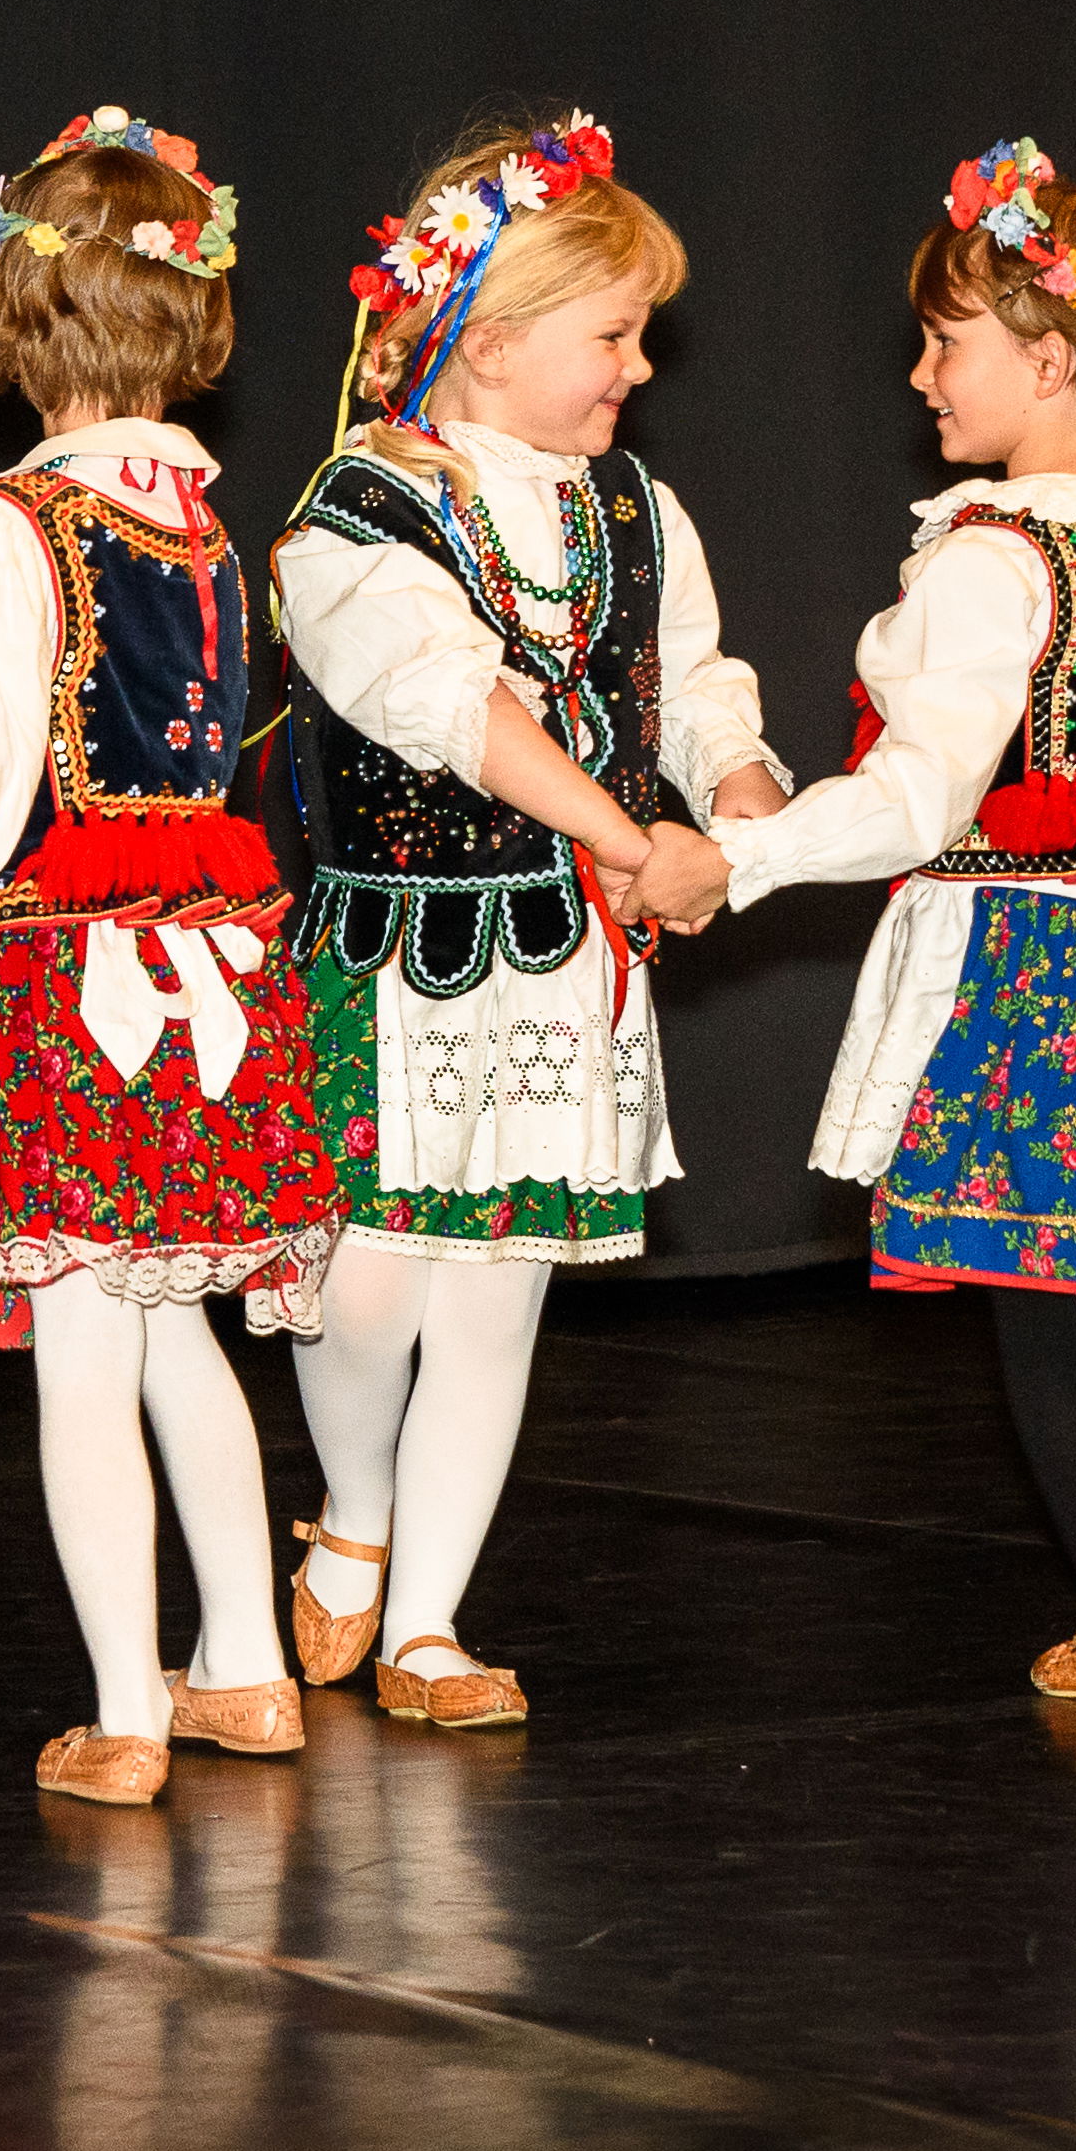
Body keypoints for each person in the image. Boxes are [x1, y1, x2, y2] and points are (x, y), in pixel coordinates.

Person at [712, 142, 1076, 1707]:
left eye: (944, 342)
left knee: (1031, 1298)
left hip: (1014, 962)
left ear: (1048, 361)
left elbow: (920, 797)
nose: (919, 375)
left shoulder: (992, 557)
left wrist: (745, 858)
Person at [258, 110, 775, 1732]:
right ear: (484, 337)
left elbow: (689, 685)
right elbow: (446, 707)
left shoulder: (635, 508)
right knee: (365, 1287)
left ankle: (428, 1622)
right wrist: (630, 837)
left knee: (497, 1288)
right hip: (394, 955)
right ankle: (352, 1503)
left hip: (557, 968)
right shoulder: (357, 511)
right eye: (611, 333)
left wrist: (749, 801)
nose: (636, 367)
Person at [0, 107, 326, 1805]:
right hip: (210, 971)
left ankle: (125, 1705)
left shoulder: (15, 521)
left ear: (13, 312)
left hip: (65, 991)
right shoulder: (203, 527)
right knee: (174, 1321)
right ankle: (246, 1669)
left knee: (82, 1347)